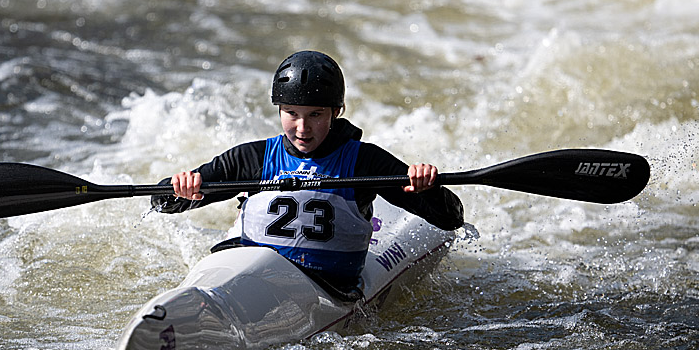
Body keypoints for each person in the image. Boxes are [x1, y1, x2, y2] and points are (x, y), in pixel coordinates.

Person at [151, 50, 464, 299]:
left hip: (325, 290)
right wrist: (179, 188)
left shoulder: (365, 162)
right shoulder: (253, 158)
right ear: (279, 110)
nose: (302, 128)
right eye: (292, 113)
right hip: (251, 280)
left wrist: (428, 188)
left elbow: (450, 218)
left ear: (336, 112)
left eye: (315, 114)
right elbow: (161, 202)